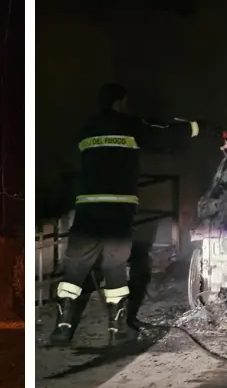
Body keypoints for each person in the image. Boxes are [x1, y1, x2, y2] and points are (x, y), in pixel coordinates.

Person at [50, 83, 217, 347]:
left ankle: (62, 328)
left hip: (87, 208)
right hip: (118, 208)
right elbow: (165, 136)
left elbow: (71, 164)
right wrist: (200, 127)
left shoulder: (86, 127)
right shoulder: (130, 126)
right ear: (120, 102)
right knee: (115, 266)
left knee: (75, 267)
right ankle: (117, 329)